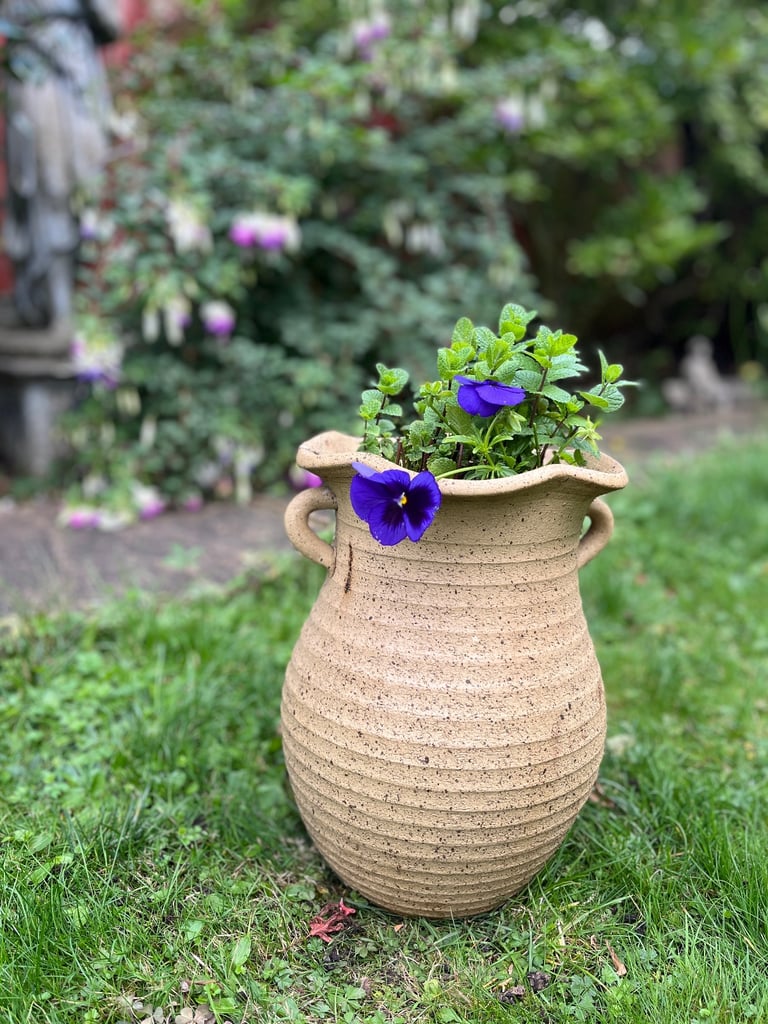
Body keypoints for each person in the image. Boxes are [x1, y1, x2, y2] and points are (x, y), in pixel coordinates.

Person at [1, 0, 121, 328]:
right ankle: (59, 308)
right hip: (33, 69)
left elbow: (113, 25)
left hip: (78, 71)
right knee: (47, 182)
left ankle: (87, 306)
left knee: (88, 180)